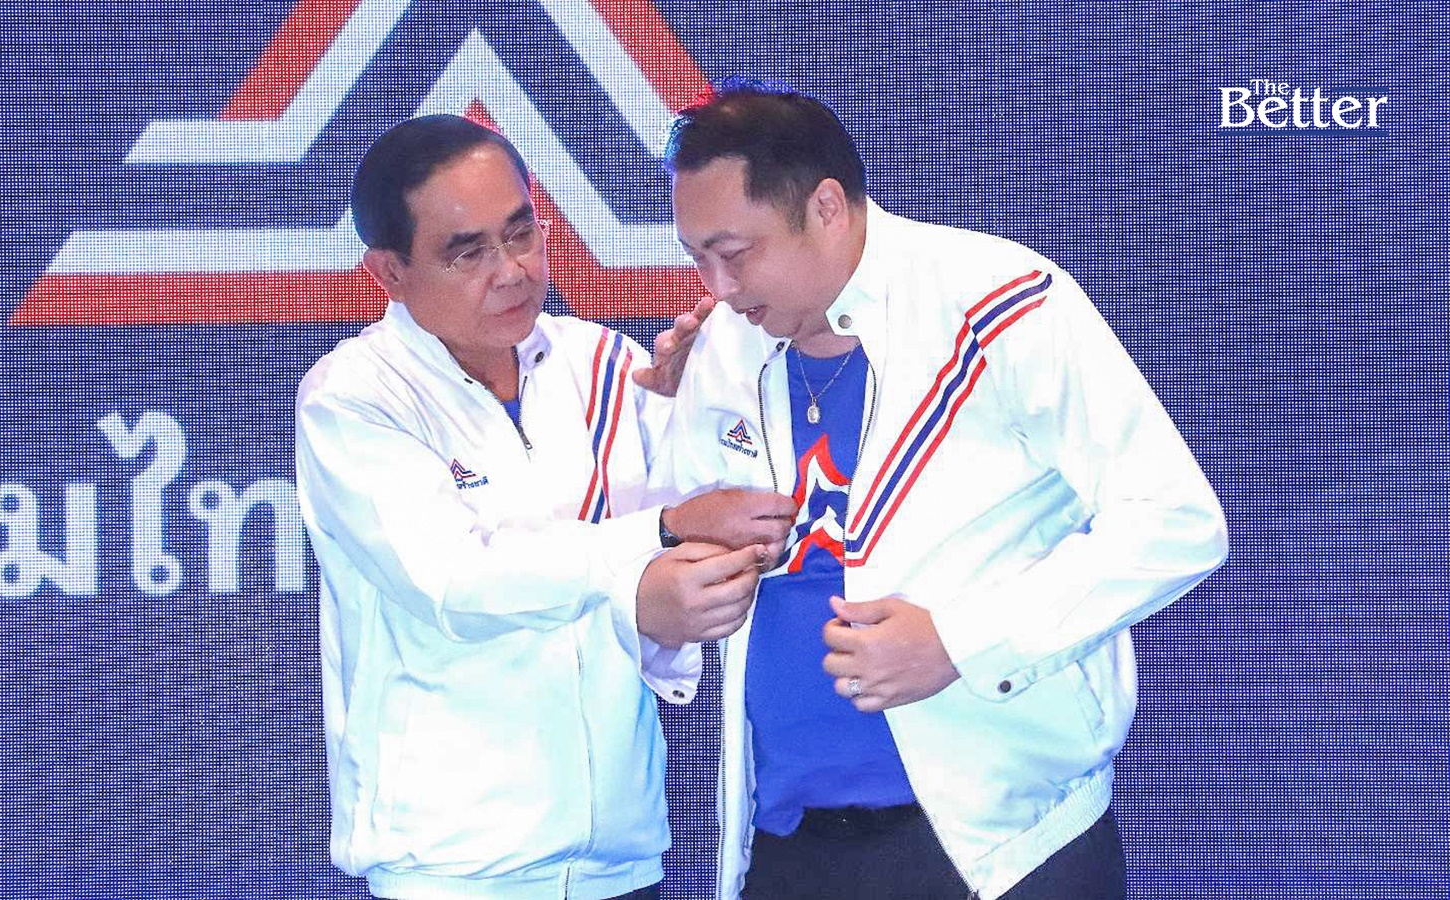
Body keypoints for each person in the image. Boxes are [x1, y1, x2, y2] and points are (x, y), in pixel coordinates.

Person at [645, 81, 1229, 900]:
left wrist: (961, 643)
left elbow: (1176, 522)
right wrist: (674, 570)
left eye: (734, 254)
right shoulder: (723, 346)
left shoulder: (999, 301)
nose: (719, 286)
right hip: (786, 842)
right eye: (698, 258)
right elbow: (668, 536)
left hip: (1006, 849)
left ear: (826, 207)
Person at [293, 114, 794, 899]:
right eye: (468, 253)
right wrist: (660, 532)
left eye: (522, 233)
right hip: (454, 872)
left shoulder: (606, 363)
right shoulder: (355, 398)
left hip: (622, 860)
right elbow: (454, 583)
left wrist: (704, 397)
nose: (512, 271)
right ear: (389, 271)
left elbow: (712, 524)